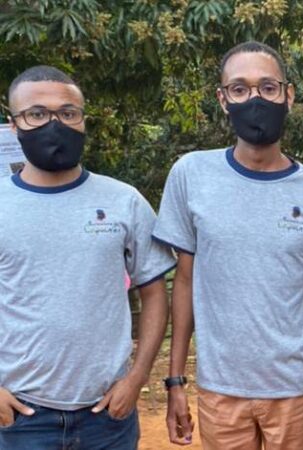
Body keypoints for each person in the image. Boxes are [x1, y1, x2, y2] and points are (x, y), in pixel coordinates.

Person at [154, 41, 303, 450]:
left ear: (288, 95)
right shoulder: (191, 175)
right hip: (219, 390)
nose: (254, 99)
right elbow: (184, 282)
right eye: (240, 89)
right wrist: (175, 382)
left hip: (294, 390)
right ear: (222, 99)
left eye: (268, 87)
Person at [0, 65, 175, 449]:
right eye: (36, 114)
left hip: (107, 417)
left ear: (82, 120)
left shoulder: (124, 201)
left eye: (68, 113)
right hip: (20, 420)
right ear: (14, 125)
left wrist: (137, 378)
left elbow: (155, 293)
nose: (54, 124)